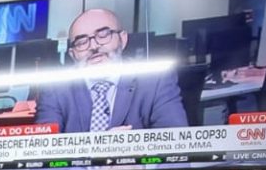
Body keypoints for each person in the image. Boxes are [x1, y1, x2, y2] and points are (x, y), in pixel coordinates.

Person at [34, 8, 189, 133]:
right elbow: (44, 150)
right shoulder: (55, 89)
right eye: (82, 42)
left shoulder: (156, 80)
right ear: (72, 54)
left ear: (123, 39)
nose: (94, 46)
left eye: (103, 35)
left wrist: (133, 148)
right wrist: (102, 146)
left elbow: (175, 140)